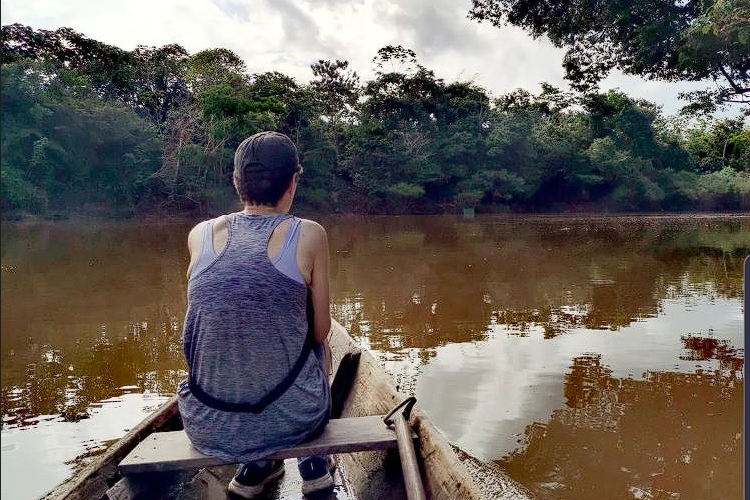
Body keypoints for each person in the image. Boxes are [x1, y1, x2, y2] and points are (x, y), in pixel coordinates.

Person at [177, 131, 335, 499]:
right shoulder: (309, 234)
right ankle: (313, 459)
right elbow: (320, 330)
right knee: (321, 345)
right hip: (293, 419)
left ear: (236, 182)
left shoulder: (198, 234)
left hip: (205, 424)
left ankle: (256, 466)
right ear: (294, 181)